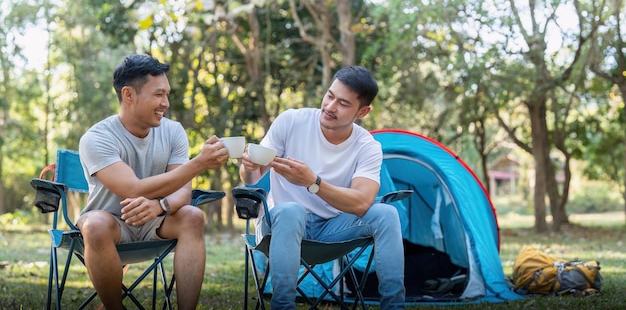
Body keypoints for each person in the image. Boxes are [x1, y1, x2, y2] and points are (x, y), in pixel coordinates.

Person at [239, 66, 406, 309]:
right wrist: (248, 166)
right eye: (330, 95)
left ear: (363, 111)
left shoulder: (367, 146)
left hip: (332, 229)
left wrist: (312, 182)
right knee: (291, 210)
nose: (329, 106)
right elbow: (252, 178)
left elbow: (361, 202)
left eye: (343, 103)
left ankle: (394, 307)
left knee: (387, 213)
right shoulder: (291, 121)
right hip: (283, 224)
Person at [77, 54, 229, 310]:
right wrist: (200, 163)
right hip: (112, 223)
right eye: (158, 95)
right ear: (129, 95)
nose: (166, 103)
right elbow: (132, 188)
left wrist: (160, 207)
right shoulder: (97, 138)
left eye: (167, 94)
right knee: (95, 225)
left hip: (156, 221)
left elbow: (183, 192)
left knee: (192, 216)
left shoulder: (173, 131)